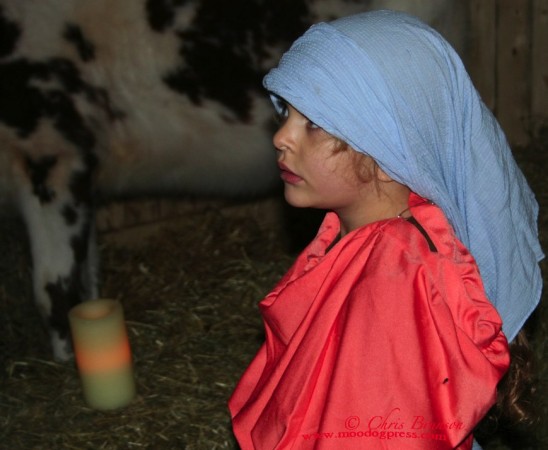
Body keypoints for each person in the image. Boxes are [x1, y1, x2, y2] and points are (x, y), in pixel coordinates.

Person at [229, 10, 544, 450]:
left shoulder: (396, 279)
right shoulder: (373, 243)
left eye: (313, 123)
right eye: (287, 114)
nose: (282, 137)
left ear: (384, 143)